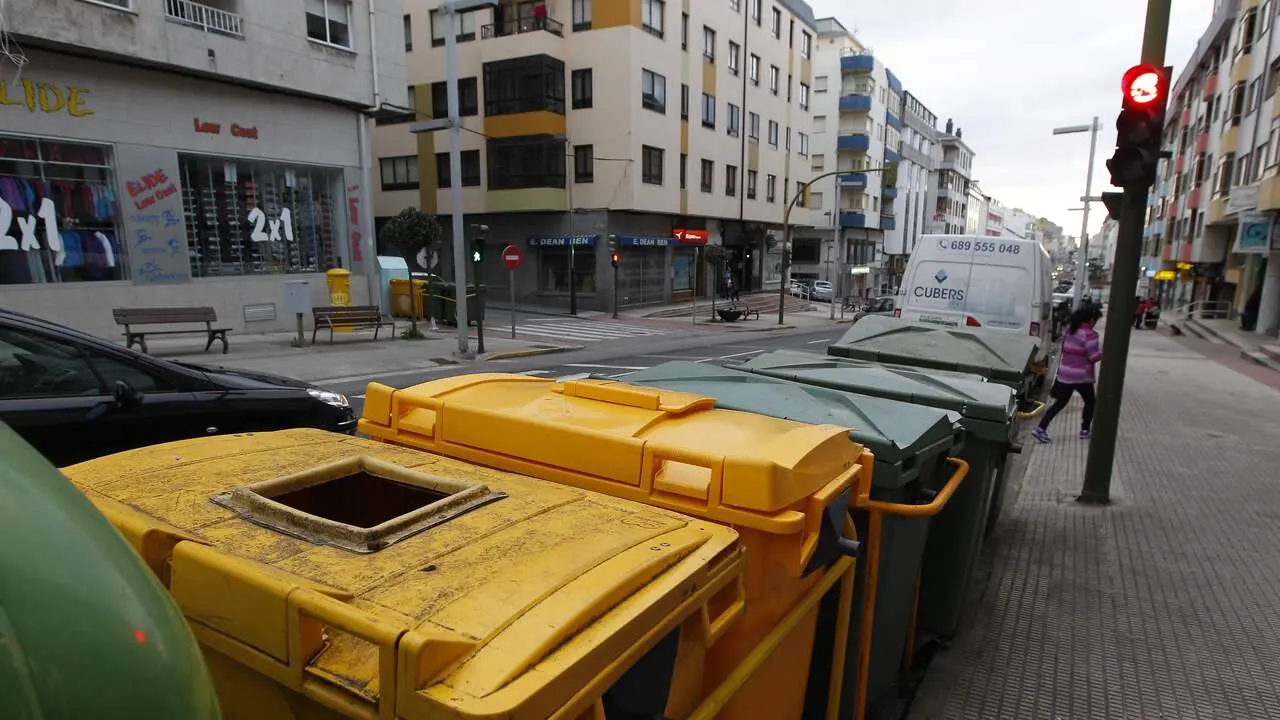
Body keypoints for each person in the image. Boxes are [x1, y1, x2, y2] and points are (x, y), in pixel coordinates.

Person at [1032, 305, 1103, 443]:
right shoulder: (1090, 334)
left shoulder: (1069, 331)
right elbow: (1093, 356)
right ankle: (1084, 430)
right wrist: (1104, 353)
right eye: (1095, 320)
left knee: (1059, 403)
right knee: (1090, 402)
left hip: (1065, 374)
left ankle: (1040, 429)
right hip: (1082, 377)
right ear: (1091, 320)